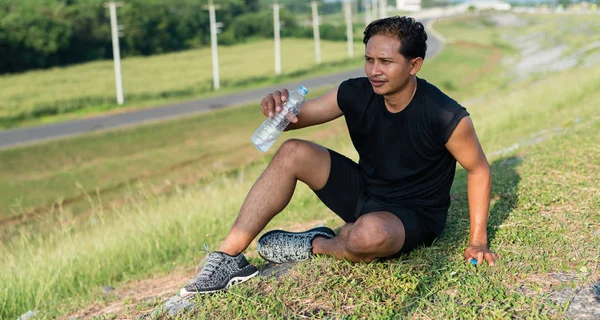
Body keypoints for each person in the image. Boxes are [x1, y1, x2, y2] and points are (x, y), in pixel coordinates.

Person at [180, 16, 498, 297]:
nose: (374, 70)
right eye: (369, 59)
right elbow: (297, 119)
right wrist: (277, 109)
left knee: (368, 234)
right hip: (365, 193)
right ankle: (228, 258)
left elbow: (479, 170)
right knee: (293, 152)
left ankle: (315, 244)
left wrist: (478, 240)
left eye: (385, 62)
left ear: (414, 64)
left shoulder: (444, 114)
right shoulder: (355, 92)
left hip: (412, 215)